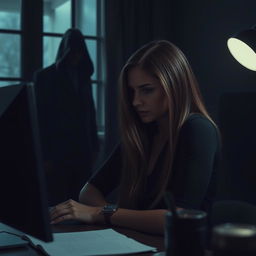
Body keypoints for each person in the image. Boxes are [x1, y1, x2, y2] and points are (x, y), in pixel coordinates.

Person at [50, 40, 221, 235]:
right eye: (132, 91)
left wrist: (102, 213)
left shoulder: (198, 130)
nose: (135, 102)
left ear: (174, 86)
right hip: (140, 244)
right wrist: (107, 214)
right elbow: (89, 190)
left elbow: (177, 217)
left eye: (147, 90)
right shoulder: (144, 134)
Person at [34, 28, 99, 205]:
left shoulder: (84, 77)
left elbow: (90, 114)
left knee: (80, 202)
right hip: (56, 155)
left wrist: (94, 147)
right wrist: (45, 156)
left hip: (82, 153)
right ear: (65, 50)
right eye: (73, 51)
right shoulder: (45, 77)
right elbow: (40, 120)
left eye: (80, 51)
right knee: (55, 204)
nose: (76, 56)